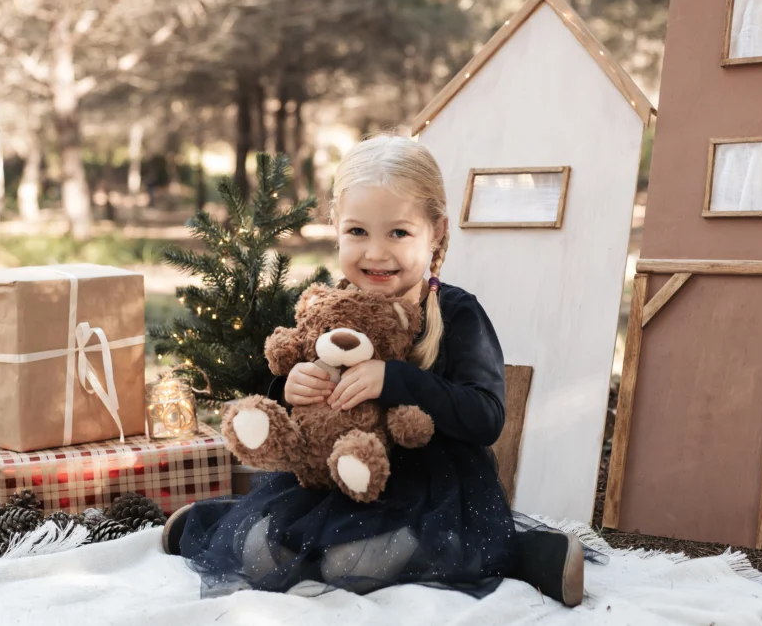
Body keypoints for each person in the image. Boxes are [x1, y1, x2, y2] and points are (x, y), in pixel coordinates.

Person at [162, 135, 597, 606]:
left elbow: (486, 415)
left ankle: (529, 554)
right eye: (357, 232)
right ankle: (215, 523)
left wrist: (395, 379)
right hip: (334, 478)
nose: (375, 253)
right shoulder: (329, 306)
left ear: (437, 232)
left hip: (433, 486)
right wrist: (291, 387)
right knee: (259, 558)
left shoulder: (456, 312)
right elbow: (294, 377)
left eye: (399, 233)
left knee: (358, 564)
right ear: (335, 228)